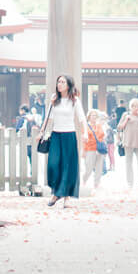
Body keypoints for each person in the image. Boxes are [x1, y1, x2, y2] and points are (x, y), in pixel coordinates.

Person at [38, 73, 88, 206]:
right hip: (56, 135)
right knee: (53, 165)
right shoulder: (54, 99)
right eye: (58, 82)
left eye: (62, 82)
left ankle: (65, 197)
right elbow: (48, 117)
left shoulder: (74, 100)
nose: (59, 84)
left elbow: (82, 118)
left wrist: (85, 133)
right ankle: (57, 192)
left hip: (69, 135)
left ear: (69, 85)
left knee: (67, 166)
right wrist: (41, 132)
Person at [118, 98, 138, 188]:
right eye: (135, 106)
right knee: (128, 163)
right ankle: (130, 182)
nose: (137, 108)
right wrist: (126, 120)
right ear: (131, 107)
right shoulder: (126, 114)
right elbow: (119, 127)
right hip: (128, 142)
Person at [81, 108, 106, 194]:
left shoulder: (99, 126)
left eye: (95, 115)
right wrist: (83, 151)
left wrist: (104, 149)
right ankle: (84, 179)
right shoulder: (86, 126)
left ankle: (96, 183)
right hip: (89, 149)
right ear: (89, 117)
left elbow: (102, 137)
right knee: (89, 168)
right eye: (92, 115)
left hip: (99, 149)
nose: (94, 117)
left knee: (99, 168)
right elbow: (83, 139)